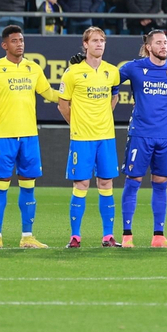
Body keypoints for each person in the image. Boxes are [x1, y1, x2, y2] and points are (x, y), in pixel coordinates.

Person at [0, 24, 64, 249]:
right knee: (1, 185)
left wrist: (73, 94)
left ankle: (27, 236)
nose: (19, 44)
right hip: (4, 136)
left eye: (21, 40)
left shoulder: (33, 68)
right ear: (4, 45)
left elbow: (49, 93)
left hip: (29, 136)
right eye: (14, 41)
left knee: (28, 186)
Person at [115, 28, 167, 248]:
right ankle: (127, 236)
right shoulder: (133, 67)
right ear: (148, 46)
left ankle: (158, 237)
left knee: (161, 184)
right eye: (159, 42)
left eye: (166, 42)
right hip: (140, 134)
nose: (163, 46)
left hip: (165, 136)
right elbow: (109, 81)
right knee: (133, 181)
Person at [59, 26, 123, 248]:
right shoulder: (73, 72)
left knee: (106, 182)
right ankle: (75, 236)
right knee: (82, 183)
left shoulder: (112, 72)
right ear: (85, 44)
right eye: (95, 40)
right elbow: (62, 105)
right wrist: (77, 124)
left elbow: (114, 97)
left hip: (106, 137)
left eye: (102, 40)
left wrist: (103, 117)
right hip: (82, 138)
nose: (99, 44)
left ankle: (108, 236)